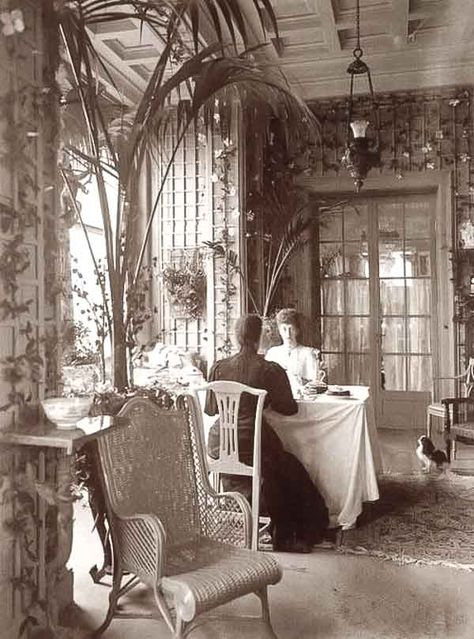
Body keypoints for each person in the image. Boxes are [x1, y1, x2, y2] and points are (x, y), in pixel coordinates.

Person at [205, 314, 329, 553]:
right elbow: (289, 408)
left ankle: (246, 512)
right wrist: (268, 399)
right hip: (252, 443)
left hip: (219, 445)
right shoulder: (269, 369)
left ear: (236, 336)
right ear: (259, 337)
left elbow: (210, 409)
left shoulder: (218, 367)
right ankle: (289, 533)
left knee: (278, 466)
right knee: (288, 467)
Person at [265, 308, 322, 395]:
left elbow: (315, 382)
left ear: (297, 330)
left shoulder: (308, 353)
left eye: (291, 329)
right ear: (279, 331)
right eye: (284, 329)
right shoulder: (272, 353)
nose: (288, 334)